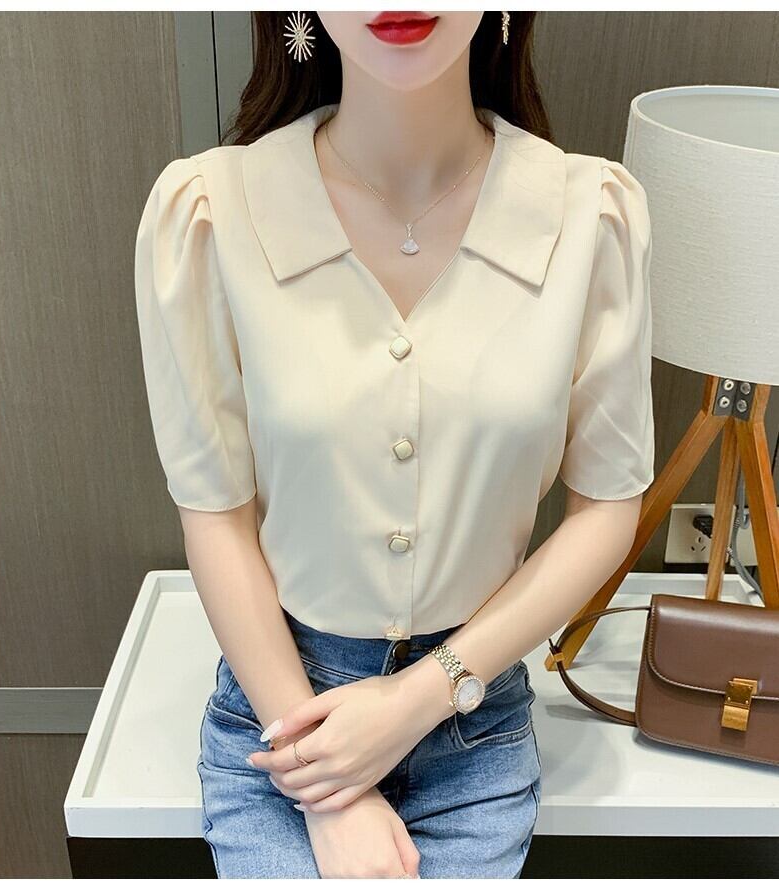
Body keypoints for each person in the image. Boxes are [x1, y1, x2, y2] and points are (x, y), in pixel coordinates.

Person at [134, 10, 655, 880]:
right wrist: (329, 787)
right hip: (284, 718)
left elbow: (608, 507)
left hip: (473, 719)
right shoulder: (211, 212)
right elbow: (214, 516)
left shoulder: (589, 214)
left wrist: (419, 698)